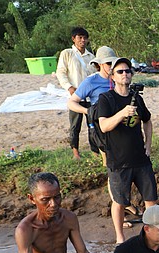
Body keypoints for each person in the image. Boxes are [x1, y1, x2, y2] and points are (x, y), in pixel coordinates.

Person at [97, 57, 157, 244]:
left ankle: (151, 235)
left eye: (128, 71)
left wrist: (148, 144)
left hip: (140, 157)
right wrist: (122, 113)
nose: (125, 74)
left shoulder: (137, 98)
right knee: (120, 201)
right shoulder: (106, 98)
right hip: (118, 160)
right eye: (120, 72)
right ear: (112, 77)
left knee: (151, 200)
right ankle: (120, 238)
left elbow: (147, 120)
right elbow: (104, 126)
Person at [67, 45, 119, 166]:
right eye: (108, 63)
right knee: (108, 158)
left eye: (113, 63)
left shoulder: (119, 76)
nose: (112, 67)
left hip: (118, 119)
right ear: (100, 64)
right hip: (102, 122)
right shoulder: (91, 81)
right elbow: (71, 102)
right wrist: (88, 111)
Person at [56, 27, 96, 160]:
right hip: (75, 95)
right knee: (75, 125)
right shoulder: (67, 53)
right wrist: (69, 87)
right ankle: (75, 152)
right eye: (79, 37)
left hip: (90, 96)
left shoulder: (91, 57)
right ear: (74, 39)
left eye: (84, 37)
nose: (82, 40)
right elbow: (61, 72)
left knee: (93, 124)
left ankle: (95, 150)